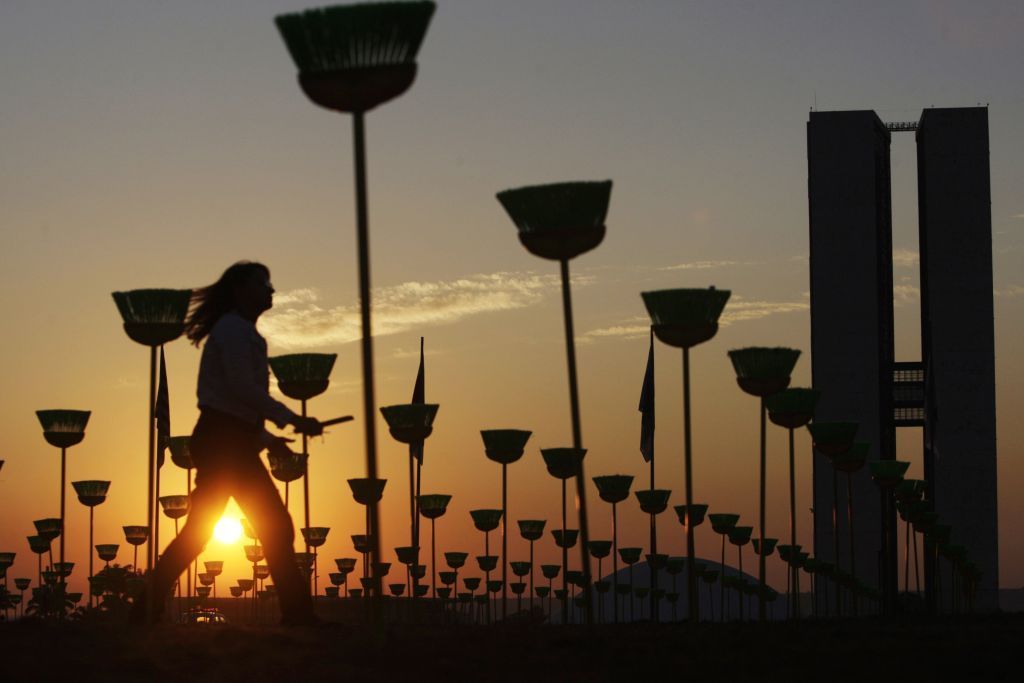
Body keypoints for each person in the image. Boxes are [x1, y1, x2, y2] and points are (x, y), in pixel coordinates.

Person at [138, 261, 323, 625]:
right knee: (274, 524)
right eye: (263, 284)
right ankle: (299, 616)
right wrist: (291, 418)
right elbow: (242, 391)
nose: (271, 290)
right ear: (241, 290)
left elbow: (237, 406)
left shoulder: (241, 333)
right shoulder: (234, 332)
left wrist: (271, 441)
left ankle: (146, 605)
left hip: (227, 440)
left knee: (204, 531)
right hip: (224, 443)